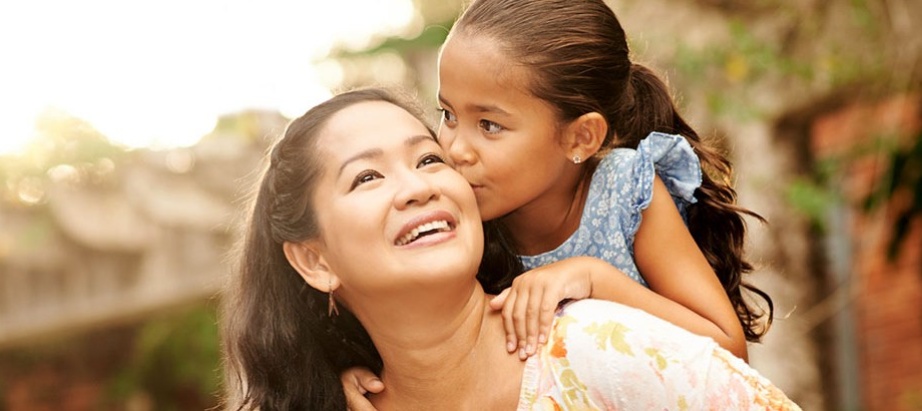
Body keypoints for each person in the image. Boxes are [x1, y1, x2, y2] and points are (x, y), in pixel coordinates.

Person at [222, 87, 800, 410]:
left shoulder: (602, 348)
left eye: (429, 159)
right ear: (314, 260)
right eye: (366, 178)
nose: (419, 186)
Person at [344, 0, 775, 405]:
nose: (455, 148)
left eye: (489, 125)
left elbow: (727, 352)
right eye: (448, 115)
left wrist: (593, 279)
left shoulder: (623, 192)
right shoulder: (461, 218)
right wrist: (353, 373)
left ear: (580, 137)